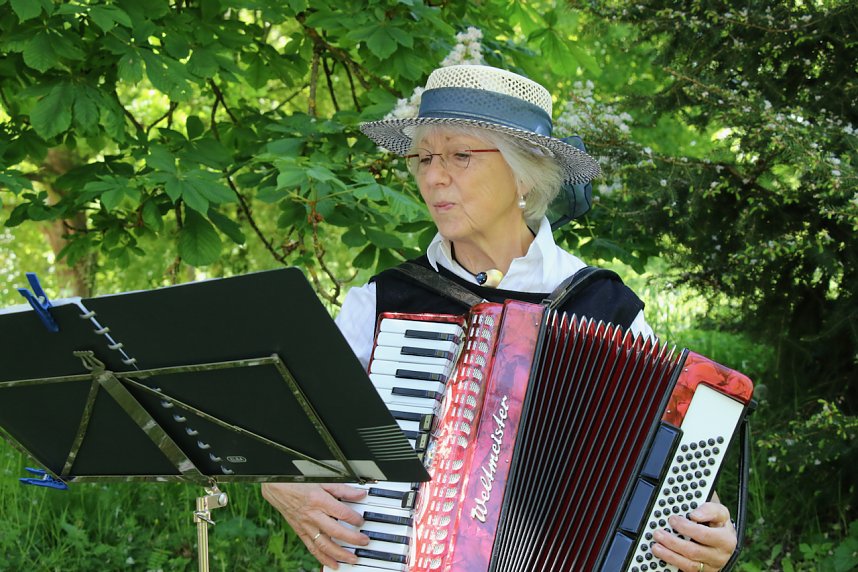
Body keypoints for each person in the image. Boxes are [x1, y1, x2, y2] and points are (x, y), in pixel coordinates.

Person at [262, 64, 737, 572]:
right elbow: (277, 431)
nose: (432, 175)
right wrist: (281, 484)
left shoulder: (604, 307)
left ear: (524, 175)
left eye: (460, 156)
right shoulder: (385, 301)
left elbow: (664, 490)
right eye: (423, 157)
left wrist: (711, 543)